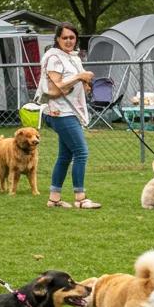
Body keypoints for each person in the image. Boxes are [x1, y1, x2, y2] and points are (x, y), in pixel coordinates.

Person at [40, 23, 101, 209]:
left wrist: (85, 83)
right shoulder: (53, 57)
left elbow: (73, 84)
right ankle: (80, 198)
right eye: (64, 37)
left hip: (72, 110)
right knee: (81, 152)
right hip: (59, 112)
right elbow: (54, 88)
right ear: (57, 39)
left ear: (76, 39)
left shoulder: (72, 57)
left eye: (72, 37)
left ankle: (54, 199)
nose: (68, 41)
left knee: (65, 156)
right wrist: (79, 77)